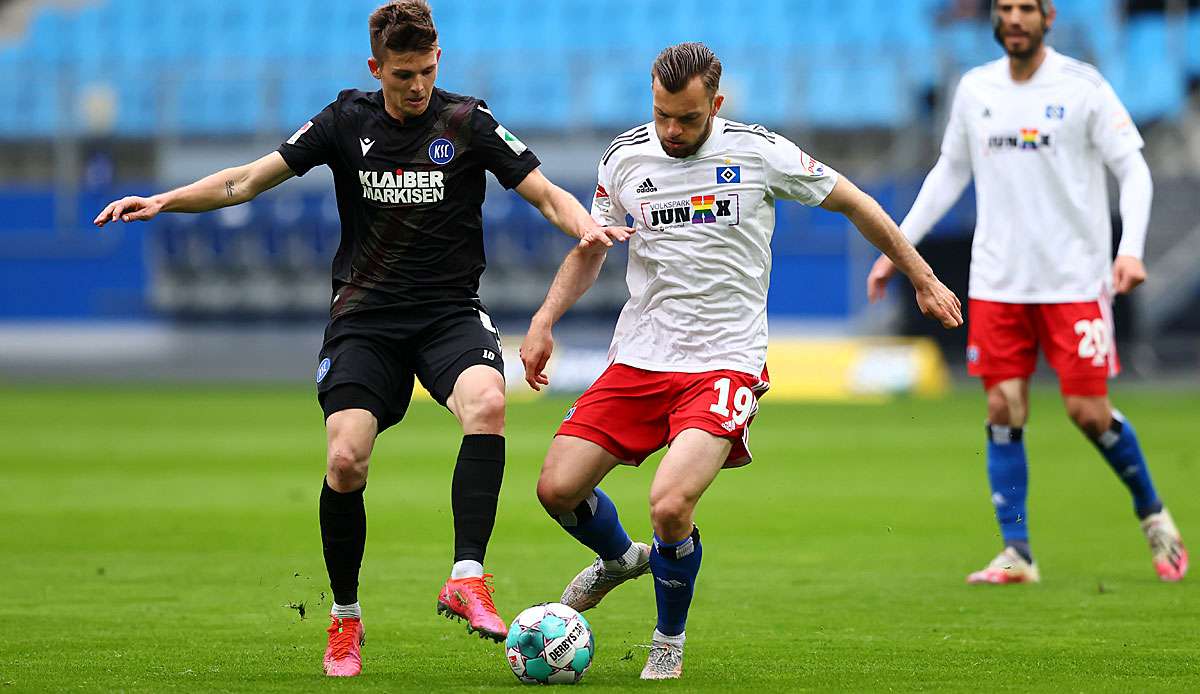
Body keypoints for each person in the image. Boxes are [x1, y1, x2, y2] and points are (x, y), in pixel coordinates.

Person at [93, 0, 631, 678]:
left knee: (488, 404)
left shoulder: (467, 121)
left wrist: (584, 226)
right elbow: (246, 180)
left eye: (428, 71)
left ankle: (467, 577)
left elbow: (547, 194)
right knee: (346, 462)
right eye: (403, 74)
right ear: (376, 68)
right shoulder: (345, 121)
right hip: (365, 320)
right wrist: (165, 200)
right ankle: (345, 618)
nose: (418, 87)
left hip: (447, 314)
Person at [519, 42, 962, 681]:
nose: (672, 131)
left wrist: (920, 277)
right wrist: (543, 320)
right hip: (641, 357)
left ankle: (667, 640)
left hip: (725, 361)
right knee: (557, 489)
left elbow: (856, 202)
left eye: (688, 119)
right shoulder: (624, 159)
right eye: (663, 115)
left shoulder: (759, 153)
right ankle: (620, 561)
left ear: (716, 105)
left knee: (670, 505)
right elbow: (593, 247)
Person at [866, 0, 1187, 585]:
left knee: (1087, 413)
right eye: (1005, 8)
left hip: (1074, 281)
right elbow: (948, 173)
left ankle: (1152, 512)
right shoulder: (975, 88)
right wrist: (900, 249)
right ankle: (1018, 551)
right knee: (1001, 407)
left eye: (1026, 9)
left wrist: (1131, 248)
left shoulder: (1082, 86)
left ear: (1049, 17)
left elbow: (1133, 170)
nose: (1014, 18)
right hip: (998, 282)